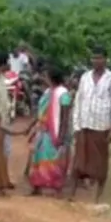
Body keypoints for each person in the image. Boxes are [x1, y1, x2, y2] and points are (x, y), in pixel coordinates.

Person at [69, 46, 111, 203]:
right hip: (84, 124)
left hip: (101, 126)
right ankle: (72, 194)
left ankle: (98, 195)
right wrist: (76, 125)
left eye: (99, 58)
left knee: (99, 162)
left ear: (106, 60)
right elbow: (79, 100)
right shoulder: (85, 77)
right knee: (79, 162)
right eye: (93, 58)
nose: (96, 61)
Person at [26, 65, 73, 196]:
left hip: (54, 133)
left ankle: (57, 188)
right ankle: (37, 186)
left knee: (53, 160)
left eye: (46, 77)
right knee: (38, 158)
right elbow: (40, 112)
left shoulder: (63, 94)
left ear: (52, 78)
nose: (43, 79)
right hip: (42, 131)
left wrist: (61, 136)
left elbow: (65, 118)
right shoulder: (48, 92)